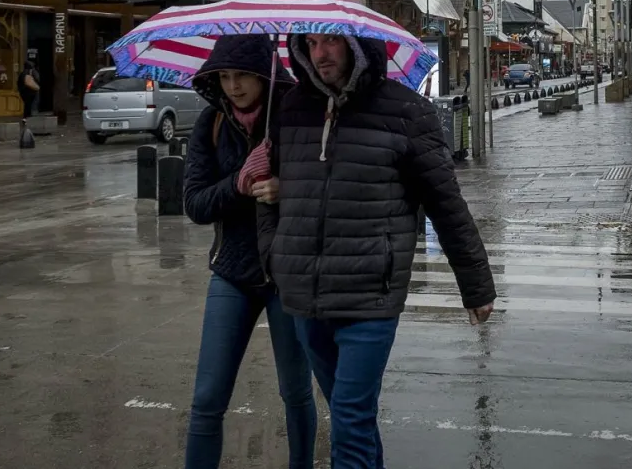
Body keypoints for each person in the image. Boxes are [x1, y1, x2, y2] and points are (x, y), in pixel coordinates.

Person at [258, 33, 497, 469]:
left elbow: (445, 203)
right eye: (310, 44)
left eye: (332, 42)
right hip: (305, 295)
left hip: (371, 291)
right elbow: (270, 194)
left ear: (359, 47)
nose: (320, 53)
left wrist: (476, 285)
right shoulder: (292, 108)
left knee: (349, 418)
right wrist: (274, 254)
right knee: (354, 417)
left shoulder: (407, 110)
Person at [183, 35, 316, 469]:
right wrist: (240, 181)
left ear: (264, 74)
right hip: (233, 273)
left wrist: (285, 188)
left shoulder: (298, 116)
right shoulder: (211, 124)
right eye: (223, 76)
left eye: (242, 75)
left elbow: (327, 188)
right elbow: (196, 204)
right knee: (207, 398)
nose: (233, 86)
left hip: (287, 274)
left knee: (295, 392)